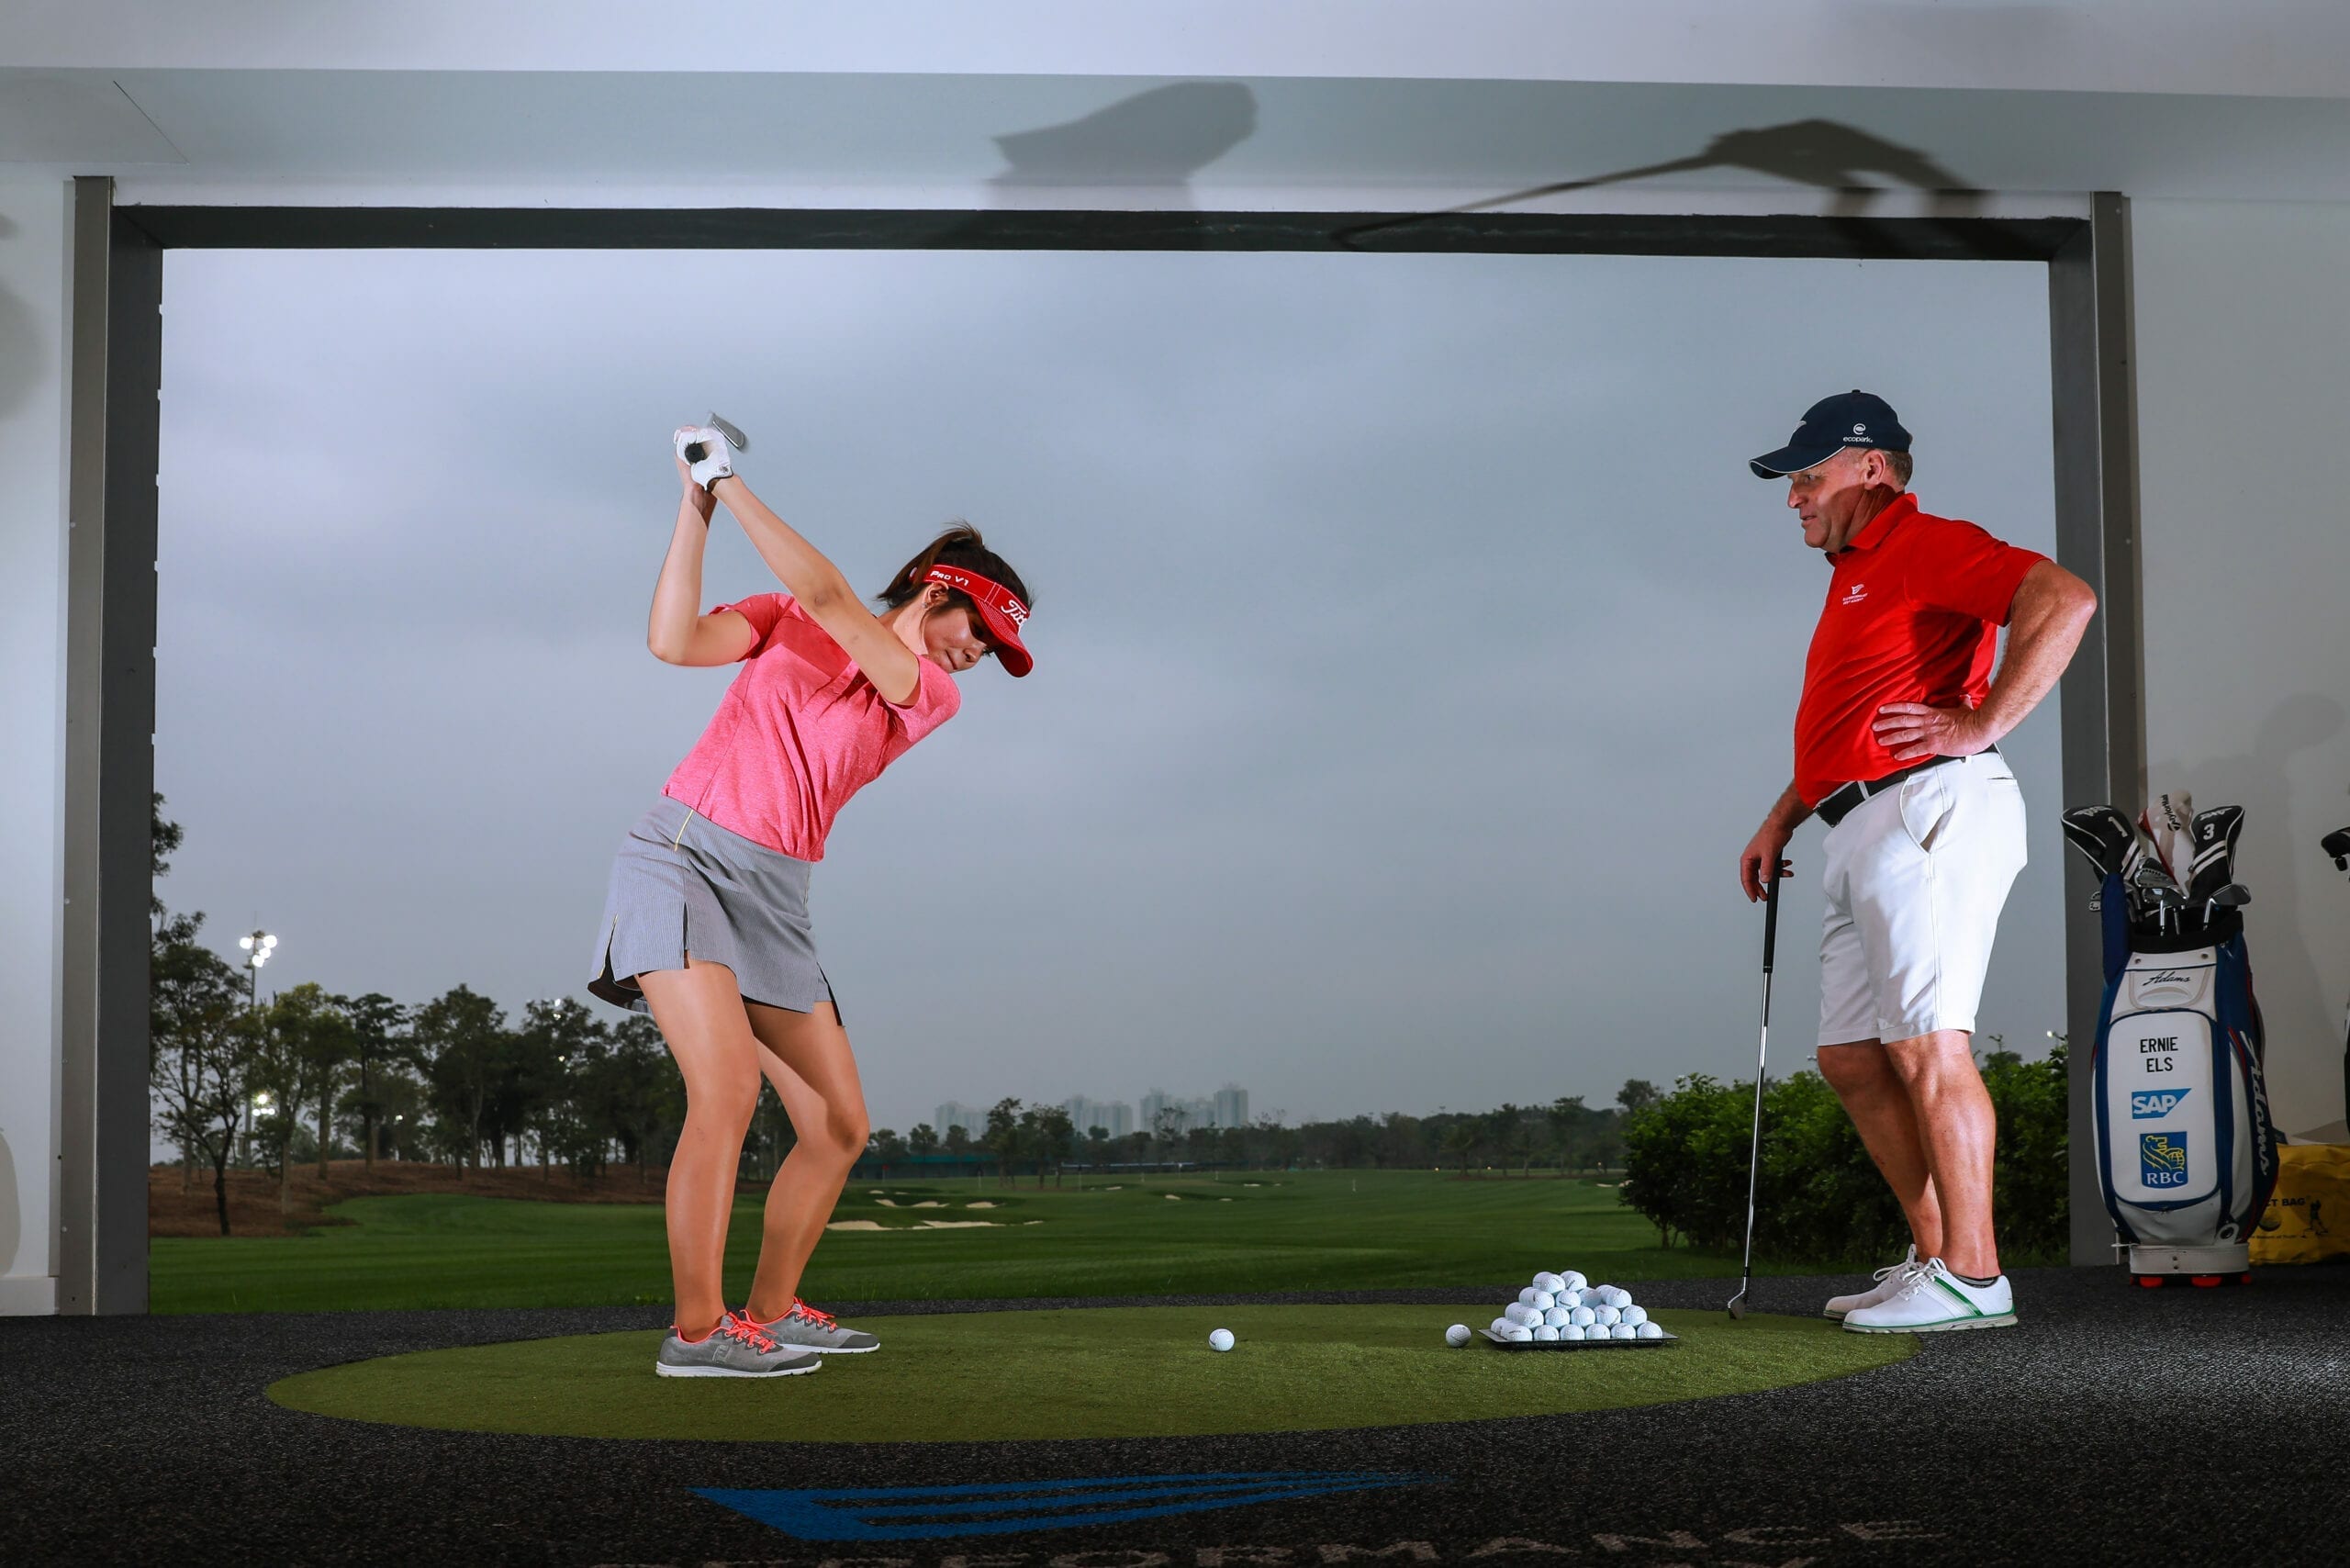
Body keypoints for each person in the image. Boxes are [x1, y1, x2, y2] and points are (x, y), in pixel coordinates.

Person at [588, 421, 1034, 1377]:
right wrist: (697, 501)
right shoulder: (781, 617)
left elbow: (833, 597)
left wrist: (728, 476)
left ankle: (771, 1309)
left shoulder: (926, 693)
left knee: (837, 1126)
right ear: (939, 587)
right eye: (980, 632)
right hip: (681, 858)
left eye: (996, 650)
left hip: (776, 896)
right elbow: (672, 641)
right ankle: (699, 1334)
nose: (979, 656)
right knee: (728, 1092)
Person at [1737, 391, 2095, 1333]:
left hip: (1929, 807)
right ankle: (1935, 1255)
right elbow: (1845, 726)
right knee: (1851, 1058)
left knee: (1927, 1044)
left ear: (1872, 468)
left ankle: (1976, 1277)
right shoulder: (1854, 573)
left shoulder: (1924, 540)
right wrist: (1783, 814)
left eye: (1807, 477)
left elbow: (2063, 597)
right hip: (1856, 822)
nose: (1793, 498)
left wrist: (1981, 723)